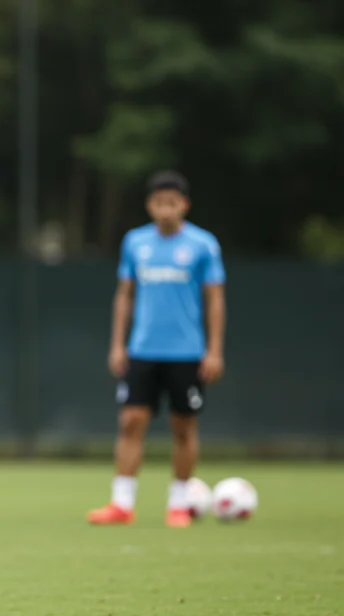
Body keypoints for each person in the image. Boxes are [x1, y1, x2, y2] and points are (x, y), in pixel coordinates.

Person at [88, 170, 226, 528]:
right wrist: (118, 344)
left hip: (186, 352)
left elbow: (214, 299)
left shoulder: (203, 245)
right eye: (159, 203)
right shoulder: (135, 243)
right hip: (142, 350)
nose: (166, 210)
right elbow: (124, 294)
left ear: (185, 205)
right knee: (131, 421)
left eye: (173, 203)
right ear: (150, 205)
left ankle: (179, 505)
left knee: (183, 426)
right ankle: (122, 503)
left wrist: (213, 350)